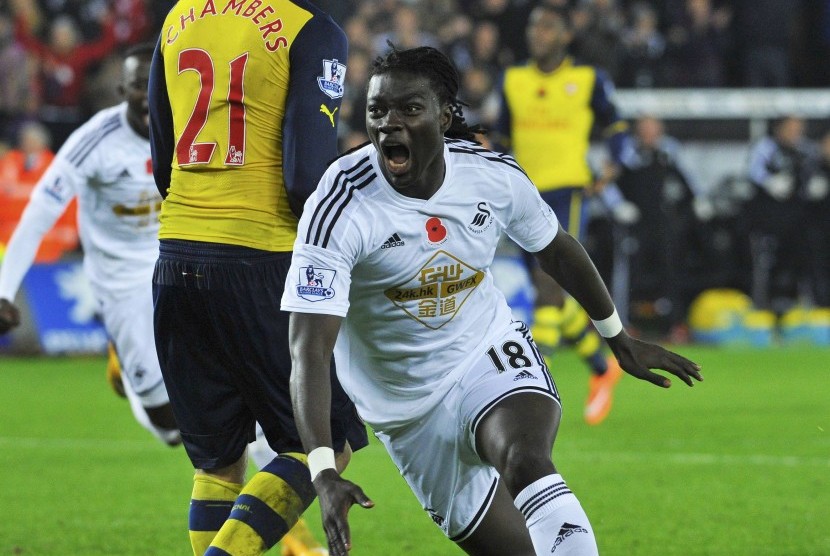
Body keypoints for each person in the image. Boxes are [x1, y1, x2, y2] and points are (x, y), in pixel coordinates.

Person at [283, 45, 703, 556]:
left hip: (485, 352)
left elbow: (558, 250)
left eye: (409, 109)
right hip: (406, 411)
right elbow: (308, 346)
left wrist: (617, 336)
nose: (389, 124)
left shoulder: (492, 175)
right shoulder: (342, 202)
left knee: (526, 457)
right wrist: (323, 472)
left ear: (445, 115)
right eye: (377, 111)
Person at [147, 2, 368, 555]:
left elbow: (160, 159)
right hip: (258, 257)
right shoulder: (309, 29)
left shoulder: (178, 18)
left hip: (175, 256)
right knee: (324, 445)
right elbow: (304, 175)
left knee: (218, 464)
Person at [0, 44, 180, 447]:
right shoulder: (95, 141)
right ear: (122, 89)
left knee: (224, 386)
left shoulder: (192, 128)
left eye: (157, 85)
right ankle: (126, 368)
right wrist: (4, 290)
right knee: (170, 429)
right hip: (120, 280)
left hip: (177, 262)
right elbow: (39, 214)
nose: (149, 95)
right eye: (138, 86)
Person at [493, 3, 630, 425]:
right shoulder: (513, 80)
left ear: (565, 36)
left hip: (567, 190)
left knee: (549, 284)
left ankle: (537, 375)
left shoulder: (587, 80)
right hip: (521, 191)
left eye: (548, 27)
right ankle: (603, 369)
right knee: (548, 291)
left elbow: (616, 128)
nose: (538, 34)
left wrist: (612, 165)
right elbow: (500, 134)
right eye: (534, 27)